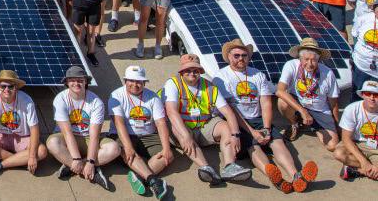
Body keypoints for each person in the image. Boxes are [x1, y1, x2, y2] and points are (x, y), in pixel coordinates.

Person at [213, 39, 318, 193]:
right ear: (229, 56)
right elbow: (230, 109)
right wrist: (252, 132)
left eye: (244, 55)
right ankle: (277, 180)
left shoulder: (258, 74)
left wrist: (267, 128)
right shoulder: (221, 77)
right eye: (236, 55)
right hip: (237, 121)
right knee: (253, 146)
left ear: (248, 57)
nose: (241, 58)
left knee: (277, 142)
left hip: (258, 118)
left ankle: (296, 176)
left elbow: (266, 103)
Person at [163, 54, 251, 186]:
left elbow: (227, 111)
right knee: (177, 129)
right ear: (181, 71)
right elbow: (171, 111)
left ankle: (230, 167)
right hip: (183, 127)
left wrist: (235, 135)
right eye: (188, 70)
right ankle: (206, 168)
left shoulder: (209, 86)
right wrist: (186, 135)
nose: (192, 73)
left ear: (200, 71)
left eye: (195, 70)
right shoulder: (173, 83)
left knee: (226, 127)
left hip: (204, 126)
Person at [107, 65, 174, 198]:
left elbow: (160, 123)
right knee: (129, 153)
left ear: (144, 83)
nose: (135, 84)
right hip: (124, 135)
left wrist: (166, 148)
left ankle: (139, 176)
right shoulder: (116, 95)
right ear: (125, 81)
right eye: (131, 81)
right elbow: (119, 123)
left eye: (139, 81)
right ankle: (153, 181)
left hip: (148, 135)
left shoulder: (153, 97)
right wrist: (128, 147)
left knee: (168, 156)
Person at [46, 64, 116, 188]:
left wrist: (90, 161)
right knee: (52, 143)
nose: (76, 83)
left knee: (114, 148)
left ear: (85, 82)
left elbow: (94, 136)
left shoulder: (96, 102)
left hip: (88, 138)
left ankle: (73, 166)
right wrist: (77, 158)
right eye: (72, 80)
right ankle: (89, 170)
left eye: (80, 80)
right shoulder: (60, 99)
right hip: (66, 137)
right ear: (67, 82)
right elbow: (67, 133)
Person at [277, 37, 341, 152]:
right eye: (306, 59)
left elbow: (334, 103)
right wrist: (303, 111)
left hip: (319, 110)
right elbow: (280, 91)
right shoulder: (291, 65)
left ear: (318, 59)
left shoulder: (328, 73)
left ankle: (313, 125)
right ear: (300, 58)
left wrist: (337, 126)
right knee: (282, 102)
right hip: (299, 104)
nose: (310, 64)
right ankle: (295, 123)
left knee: (332, 146)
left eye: (314, 60)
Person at [334, 79, 378, 180]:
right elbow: (346, 139)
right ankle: (369, 168)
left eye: (376, 95)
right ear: (362, 95)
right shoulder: (352, 109)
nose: (372, 98)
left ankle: (357, 170)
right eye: (368, 94)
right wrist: (364, 162)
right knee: (338, 153)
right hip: (355, 142)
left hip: (375, 147)